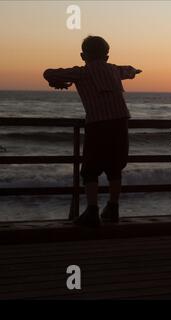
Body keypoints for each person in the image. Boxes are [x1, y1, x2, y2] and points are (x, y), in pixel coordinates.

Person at [43, 36, 142, 227]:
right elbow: (131, 70)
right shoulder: (115, 70)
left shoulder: (81, 73)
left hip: (97, 123)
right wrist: (133, 71)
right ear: (107, 55)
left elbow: (48, 73)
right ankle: (113, 208)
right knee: (115, 166)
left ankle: (92, 210)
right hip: (121, 120)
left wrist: (58, 83)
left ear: (83, 55)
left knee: (90, 168)